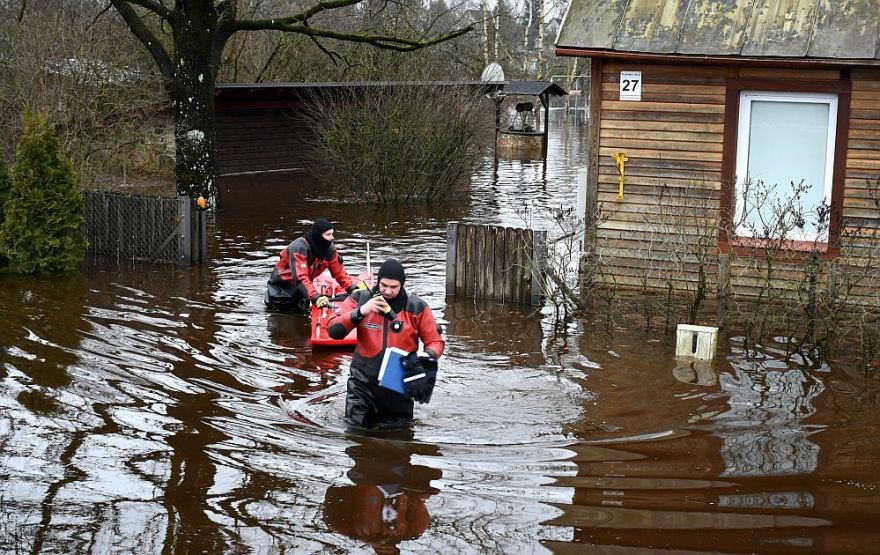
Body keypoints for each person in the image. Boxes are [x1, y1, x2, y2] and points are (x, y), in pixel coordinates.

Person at [327, 258, 444, 429]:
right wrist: (361, 311)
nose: (388, 291)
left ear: (402, 285)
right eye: (383, 285)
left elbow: (435, 342)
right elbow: (333, 330)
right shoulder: (360, 298)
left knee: (398, 441)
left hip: (398, 386)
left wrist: (426, 355)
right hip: (362, 385)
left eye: (394, 287)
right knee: (356, 436)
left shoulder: (417, 306)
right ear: (378, 282)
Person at [265, 218, 357, 313]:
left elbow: (339, 272)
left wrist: (351, 288)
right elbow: (300, 277)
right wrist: (315, 297)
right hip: (281, 293)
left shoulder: (330, 250)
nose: (332, 238)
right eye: (328, 234)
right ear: (319, 236)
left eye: (332, 234)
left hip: (302, 293)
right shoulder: (299, 248)